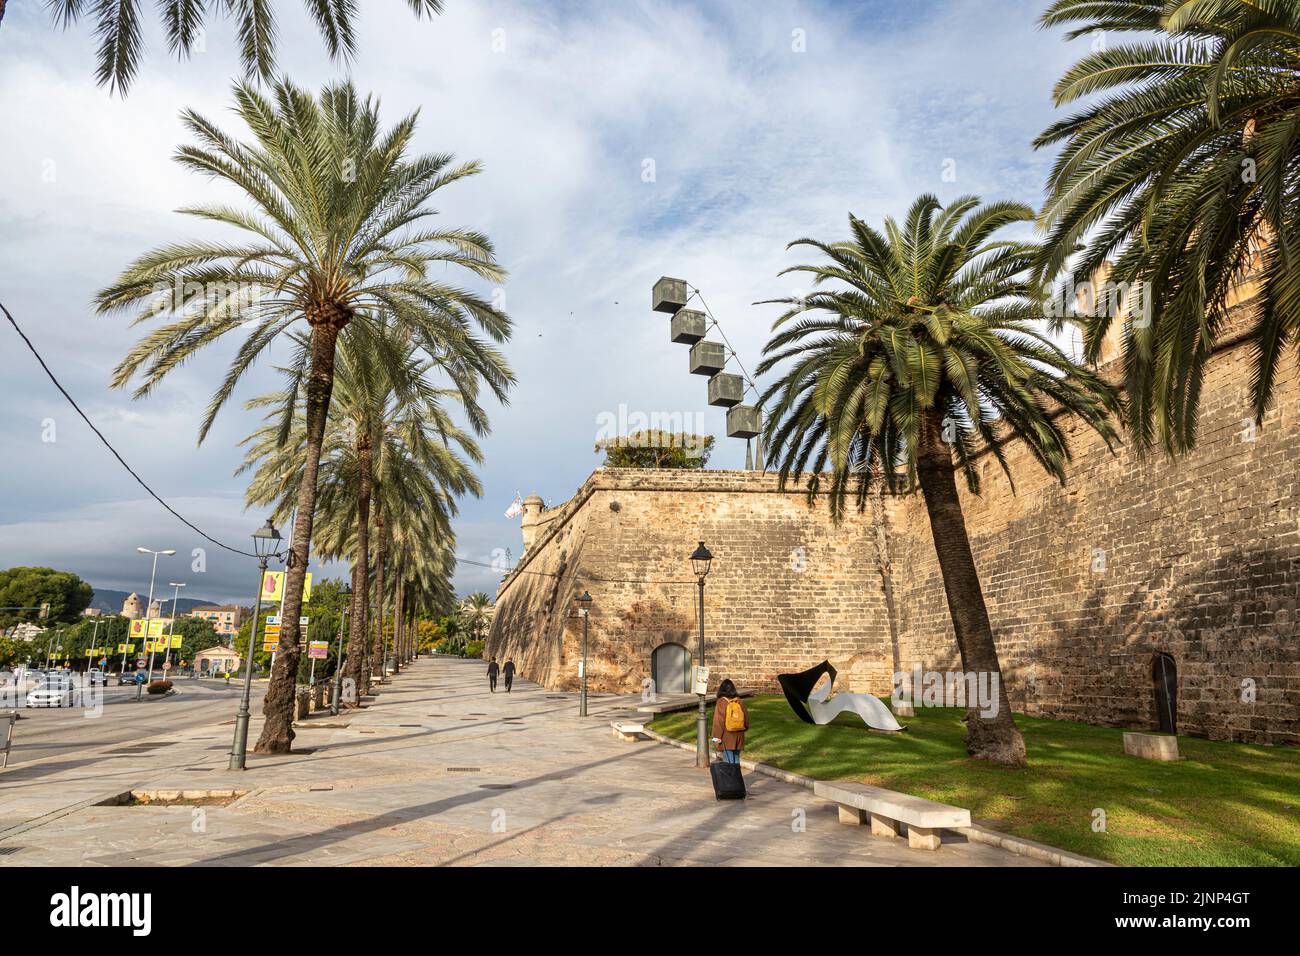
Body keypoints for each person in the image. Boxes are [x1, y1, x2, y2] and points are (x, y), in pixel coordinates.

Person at [710, 679, 748, 764]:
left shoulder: (721, 701)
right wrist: (743, 729)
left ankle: (731, 777)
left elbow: (719, 721)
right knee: (736, 761)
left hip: (726, 736)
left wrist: (716, 737)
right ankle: (737, 777)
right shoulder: (739, 701)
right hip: (739, 735)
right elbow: (746, 718)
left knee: (729, 763)